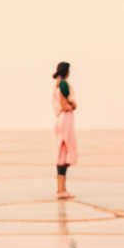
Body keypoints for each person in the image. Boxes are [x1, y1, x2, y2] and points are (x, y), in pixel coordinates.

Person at [52, 60, 77, 190]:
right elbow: (65, 103)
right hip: (65, 119)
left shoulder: (57, 85)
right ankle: (62, 189)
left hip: (59, 119)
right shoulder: (63, 85)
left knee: (61, 152)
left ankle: (61, 188)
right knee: (66, 150)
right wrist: (72, 105)